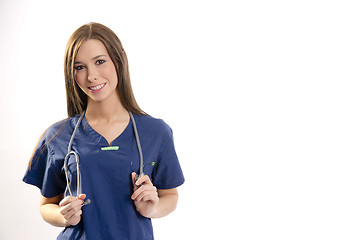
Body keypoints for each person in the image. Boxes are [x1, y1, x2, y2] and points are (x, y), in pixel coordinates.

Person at [23, 22, 184, 240]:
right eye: (80, 67)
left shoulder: (156, 132)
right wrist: (65, 217)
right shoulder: (57, 136)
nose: (91, 76)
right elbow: (46, 206)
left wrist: (151, 209)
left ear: (120, 60)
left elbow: (170, 196)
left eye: (100, 62)